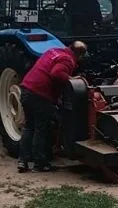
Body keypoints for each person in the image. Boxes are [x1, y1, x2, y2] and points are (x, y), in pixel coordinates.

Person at [18, 41, 87, 173]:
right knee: (41, 128)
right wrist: (70, 78)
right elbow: (56, 74)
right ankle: (40, 164)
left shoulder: (53, 51)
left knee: (29, 127)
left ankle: (23, 161)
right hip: (39, 95)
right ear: (79, 54)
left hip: (27, 89)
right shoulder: (67, 60)